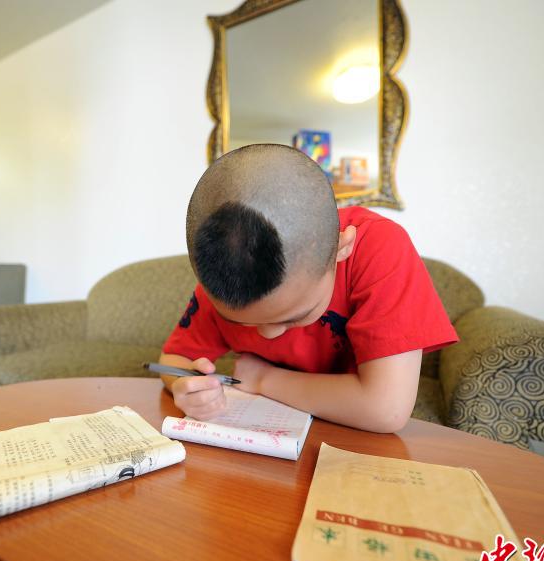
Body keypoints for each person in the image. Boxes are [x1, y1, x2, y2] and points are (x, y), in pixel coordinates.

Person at [159, 144, 458, 433]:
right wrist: (187, 387)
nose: (268, 334)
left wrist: (264, 379)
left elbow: (386, 409)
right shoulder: (229, 269)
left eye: (295, 316)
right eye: (239, 323)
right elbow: (173, 360)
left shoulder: (379, 248)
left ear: (341, 248)